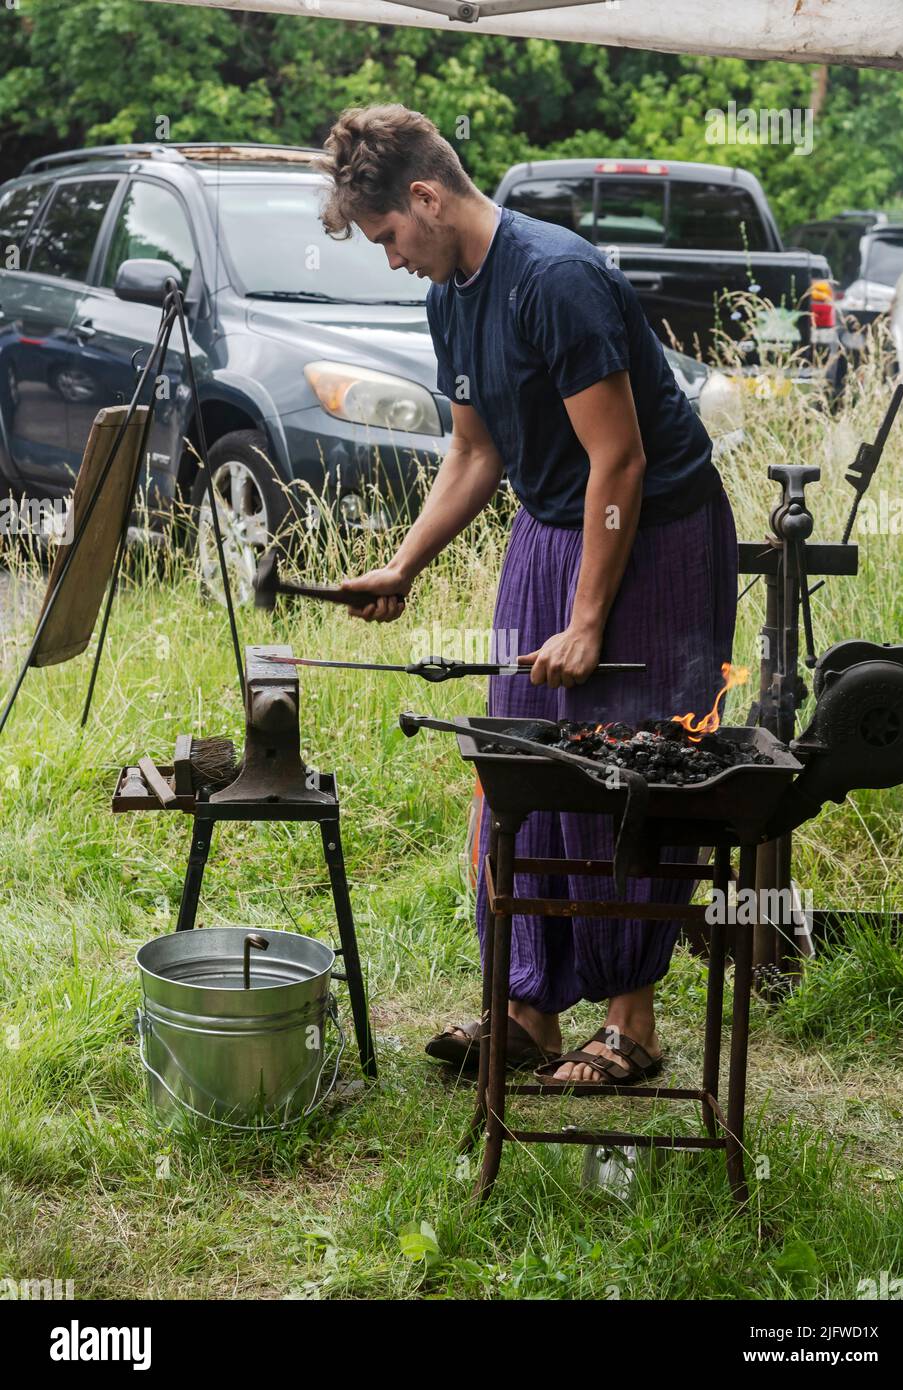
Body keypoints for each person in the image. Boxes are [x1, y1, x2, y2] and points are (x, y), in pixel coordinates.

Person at [316, 104, 738, 1086]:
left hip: (654, 534)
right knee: (521, 767)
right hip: (553, 526)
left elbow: (620, 458)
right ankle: (530, 1012)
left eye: (387, 237)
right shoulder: (450, 295)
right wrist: (404, 564)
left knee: (627, 769)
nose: (391, 259)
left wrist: (588, 619)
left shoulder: (555, 278)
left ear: (424, 197)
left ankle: (630, 1025)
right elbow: (474, 450)